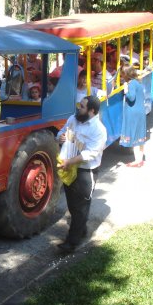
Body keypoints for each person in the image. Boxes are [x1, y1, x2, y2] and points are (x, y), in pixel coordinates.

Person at [56, 96, 107, 252]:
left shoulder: (99, 129)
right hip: (69, 166)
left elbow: (90, 154)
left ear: (92, 111)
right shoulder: (74, 119)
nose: (79, 108)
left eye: (82, 106)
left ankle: (72, 242)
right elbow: (61, 133)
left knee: (81, 206)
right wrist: (61, 137)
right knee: (71, 203)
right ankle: (81, 228)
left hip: (86, 170)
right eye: (79, 105)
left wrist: (70, 162)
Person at [119, 66, 146, 166]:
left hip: (133, 112)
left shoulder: (131, 84)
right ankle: (140, 159)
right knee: (140, 135)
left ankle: (137, 161)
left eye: (122, 74)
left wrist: (126, 90)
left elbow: (131, 97)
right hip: (140, 111)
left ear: (126, 74)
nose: (121, 76)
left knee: (134, 135)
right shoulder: (137, 82)